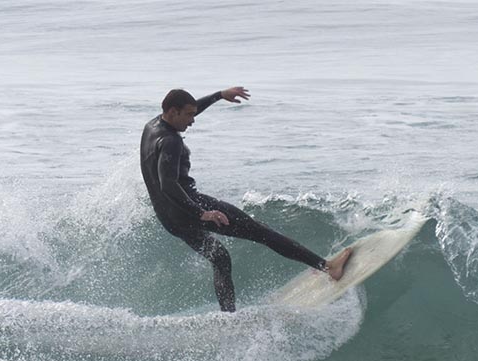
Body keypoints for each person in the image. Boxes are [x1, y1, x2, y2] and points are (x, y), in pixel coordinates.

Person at [140, 86, 351, 312]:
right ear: (173, 112)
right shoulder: (171, 141)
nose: (193, 121)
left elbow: (164, 183)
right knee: (260, 231)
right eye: (189, 115)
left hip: (169, 217)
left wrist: (219, 95)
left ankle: (228, 317)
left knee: (220, 258)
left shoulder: (153, 127)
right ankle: (328, 267)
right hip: (189, 206)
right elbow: (168, 183)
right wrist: (202, 213)